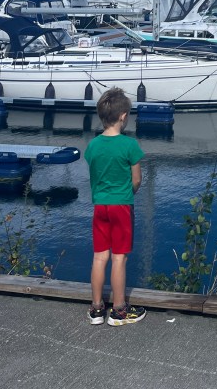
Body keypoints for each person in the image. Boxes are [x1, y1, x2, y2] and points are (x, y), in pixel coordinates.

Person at [84, 86, 146, 326]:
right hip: (121, 206)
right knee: (119, 257)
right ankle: (119, 310)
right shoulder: (130, 146)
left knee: (100, 256)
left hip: (100, 206)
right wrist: (128, 193)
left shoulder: (93, 146)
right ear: (123, 116)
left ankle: (96, 308)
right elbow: (137, 180)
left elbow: (95, 173)